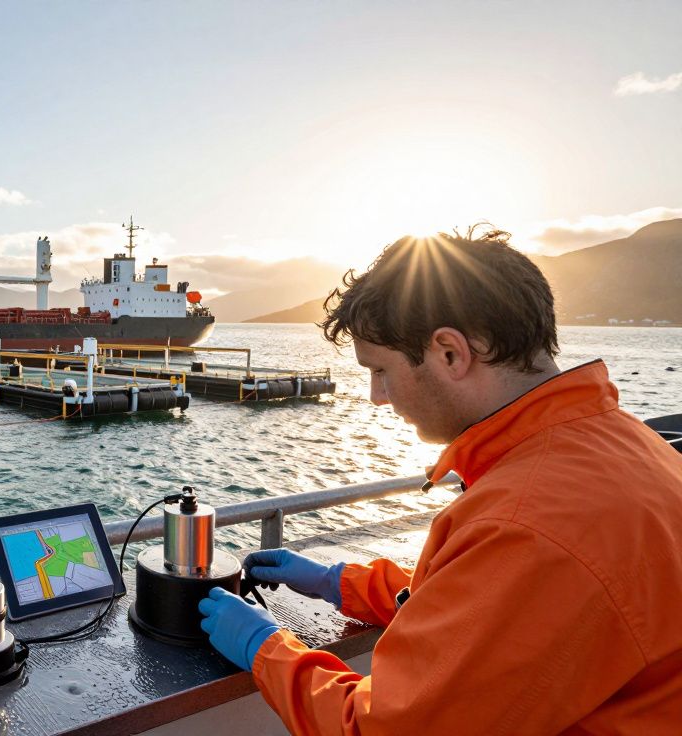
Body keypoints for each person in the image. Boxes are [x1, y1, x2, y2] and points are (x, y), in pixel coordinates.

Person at [197, 227, 682, 734]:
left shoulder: (527, 526)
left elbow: (381, 729)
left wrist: (265, 649)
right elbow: (493, 607)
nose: (376, 397)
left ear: (450, 352)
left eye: (380, 370)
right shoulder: (628, 445)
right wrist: (339, 583)